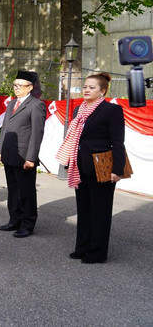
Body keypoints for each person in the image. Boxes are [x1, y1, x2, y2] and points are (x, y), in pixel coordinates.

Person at [56, 72, 125, 264]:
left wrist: (117, 170)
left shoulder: (111, 110)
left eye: (92, 87)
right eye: (85, 86)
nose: (86, 90)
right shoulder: (79, 110)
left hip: (102, 166)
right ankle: (82, 247)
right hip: (80, 166)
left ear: (102, 91)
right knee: (84, 209)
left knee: (100, 211)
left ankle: (97, 252)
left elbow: (118, 142)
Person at [0, 71, 46, 238]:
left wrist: (31, 157)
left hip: (25, 155)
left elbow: (37, 134)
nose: (16, 88)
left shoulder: (36, 105)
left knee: (26, 191)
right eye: (14, 85)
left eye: (20, 86)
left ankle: (27, 223)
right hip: (10, 153)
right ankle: (14, 219)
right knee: (13, 189)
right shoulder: (12, 104)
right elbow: (5, 128)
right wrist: (0, 150)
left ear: (30, 87)